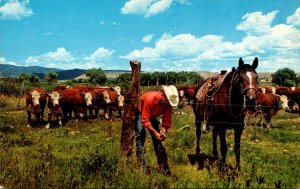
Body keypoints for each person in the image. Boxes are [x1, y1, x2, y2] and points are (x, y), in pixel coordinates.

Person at [135, 85, 179, 175]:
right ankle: (141, 167)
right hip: (141, 112)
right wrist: (155, 132)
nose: (168, 104)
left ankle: (163, 167)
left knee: (157, 140)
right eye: (167, 102)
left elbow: (167, 119)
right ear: (163, 96)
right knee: (140, 137)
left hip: (153, 115)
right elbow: (145, 120)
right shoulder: (150, 99)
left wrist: (163, 131)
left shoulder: (167, 104)